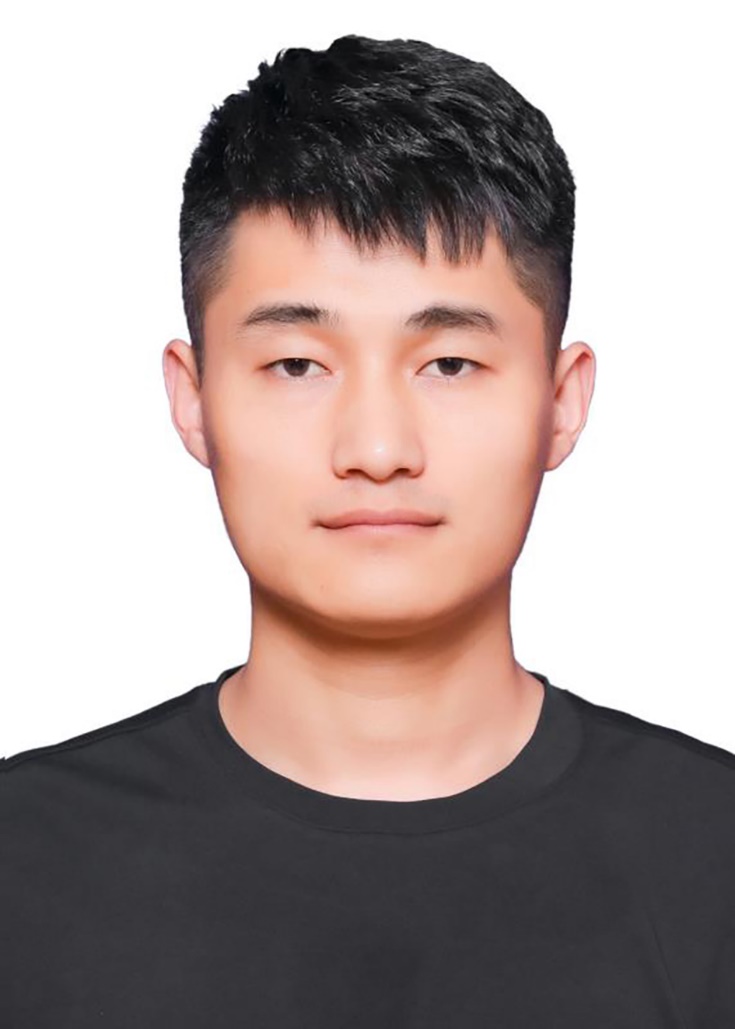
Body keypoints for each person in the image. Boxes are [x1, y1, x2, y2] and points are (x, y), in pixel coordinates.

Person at [2, 33, 733, 1028]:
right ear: (193, 400)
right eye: (298, 364)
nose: (378, 448)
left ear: (561, 403)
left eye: (449, 364)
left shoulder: (711, 865)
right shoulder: (24, 865)